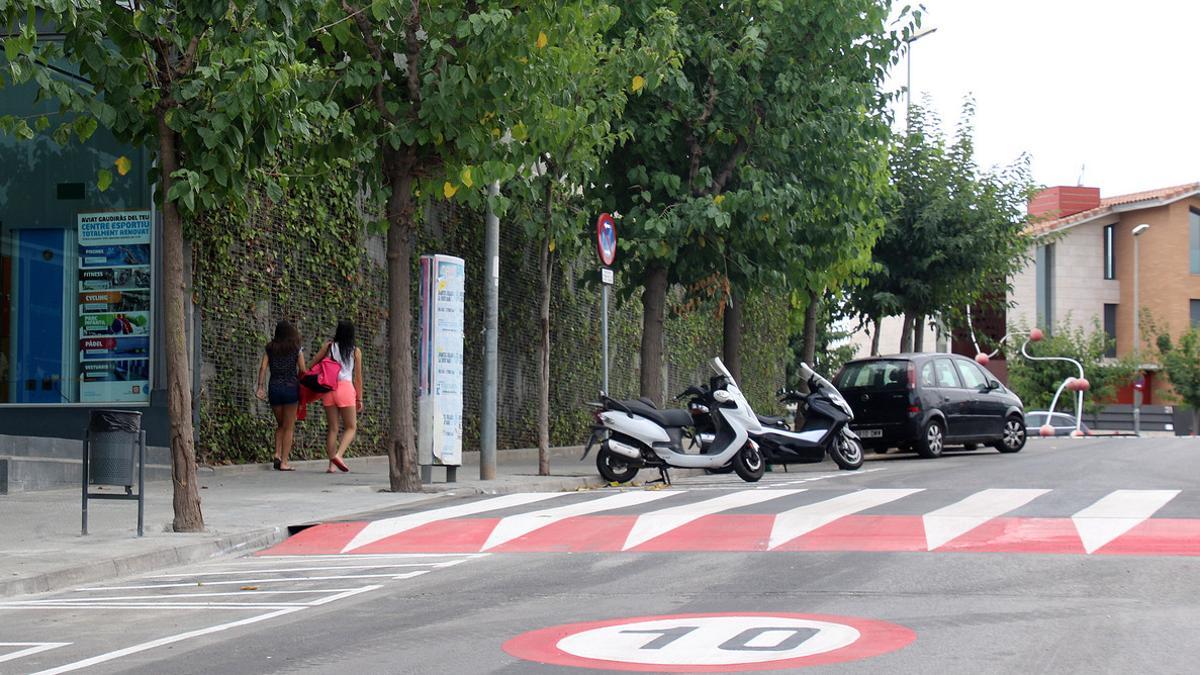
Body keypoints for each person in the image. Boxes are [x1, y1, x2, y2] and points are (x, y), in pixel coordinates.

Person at [311, 319, 363, 473]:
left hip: (329, 389)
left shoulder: (329, 347)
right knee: (351, 427)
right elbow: (358, 378)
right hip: (346, 389)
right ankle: (339, 455)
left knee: (333, 428)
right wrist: (359, 398)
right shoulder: (355, 351)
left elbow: (313, 363)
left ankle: (331, 465)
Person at [256, 320, 306, 471]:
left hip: (274, 389)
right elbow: (303, 370)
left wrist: (260, 387)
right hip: (291, 389)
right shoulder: (296, 349)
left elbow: (263, 367)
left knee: (281, 425)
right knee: (289, 427)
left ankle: (277, 454)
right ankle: (284, 462)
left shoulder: (270, 348)